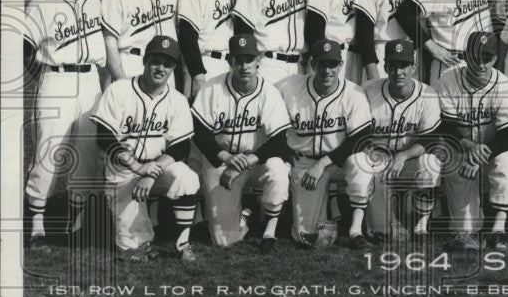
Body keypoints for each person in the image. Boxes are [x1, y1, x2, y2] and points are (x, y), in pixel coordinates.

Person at [23, 0, 107, 247]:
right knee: (47, 154)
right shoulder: (42, 2)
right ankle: (36, 225)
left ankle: (78, 223)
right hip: (55, 80)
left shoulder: (96, 2)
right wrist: (41, 79)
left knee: (85, 157)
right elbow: (24, 49)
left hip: (90, 82)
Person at [90, 36, 200, 260]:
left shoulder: (177, 99)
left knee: (188, 178)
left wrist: (151, 172)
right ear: (145, 61)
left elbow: (181, 147)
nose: (161, 68)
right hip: (122, 168)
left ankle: (183, 244)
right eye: (155, 61)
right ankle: (134, 230)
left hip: (155, 167)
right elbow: (103, 137)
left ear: (173, 68)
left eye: (167, 64)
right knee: (133, 249)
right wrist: (137, 167)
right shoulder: (118, 90)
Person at [190, 34, 292, 253]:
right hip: (220, 161)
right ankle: (247, 213)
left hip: (255, 161)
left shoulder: (269, 92)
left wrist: (244, 163)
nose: (244, 66)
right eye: (239, 60)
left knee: (278, 169)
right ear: (230, 62)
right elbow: (199, 133)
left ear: (258, 61)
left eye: (249, 59)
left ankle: (269, 232)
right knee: (224, 241)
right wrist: (226, 158)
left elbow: (279, 141)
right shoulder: (212, 88)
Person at [278, 40, 375, 250]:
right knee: (307, 238)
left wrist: (323, 163)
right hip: (304, 164)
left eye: (333, 64)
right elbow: (268, 113)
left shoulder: (354, 93)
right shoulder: (289, 87)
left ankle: (355, 231)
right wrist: (282, 147)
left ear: (341, 65)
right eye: (322, 64)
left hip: (337, 162)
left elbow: (360, 138)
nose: (327, 70)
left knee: (361, 163)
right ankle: (328, 211)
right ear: (313, 64)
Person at [436, 32, 508, 251]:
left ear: (495, 59)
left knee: (505, 162)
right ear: (466, 56)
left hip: (494, 148)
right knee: (464, 229)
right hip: (460, 148)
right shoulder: (448, 79)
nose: (481, 63)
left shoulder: (505, 86)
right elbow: (446, 126)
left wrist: (478, 157)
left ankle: (498, 230)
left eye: (487, 58)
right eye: (475, 57)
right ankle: (468, 231)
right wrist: (467, 147)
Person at [361, 40, 443, 245]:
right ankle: (384, 218)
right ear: (386, 67)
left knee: (431, 164)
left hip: (409, 156)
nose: (399, 72)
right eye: (394, 65)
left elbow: (430, 138)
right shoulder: (368, 91)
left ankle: (421, 225)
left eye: (404, 65)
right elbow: (357, 134)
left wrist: (403, 156)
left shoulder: (428, 95)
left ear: (413, 68)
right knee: (382, 234)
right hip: (376, 156)